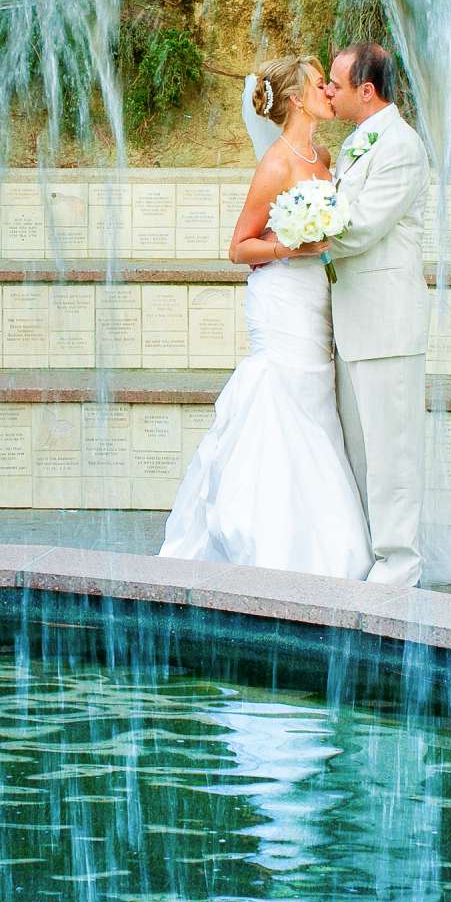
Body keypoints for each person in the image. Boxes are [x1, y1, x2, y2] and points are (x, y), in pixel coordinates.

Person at [158, 55, 370, 578]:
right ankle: (264, 533)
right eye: (319, 84)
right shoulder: (276, 163)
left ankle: (322, 534)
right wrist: (290, 248)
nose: (328, 89)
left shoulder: (323, 155)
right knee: (281, 397)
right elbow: (238, 247)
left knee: (314, 404)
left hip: (316, 296)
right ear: (297, 99)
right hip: (280, 297)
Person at [318, 40, 430, 587]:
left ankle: (400, 562)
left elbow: (361, 226)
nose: (327, 93)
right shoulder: (358, 144)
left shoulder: (400, 146)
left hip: (387, 324)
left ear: (367, 90)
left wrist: (297, 237)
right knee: (363, 450)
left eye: (336, 85)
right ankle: (371, 552)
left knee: (393, 451)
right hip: (354, 322)